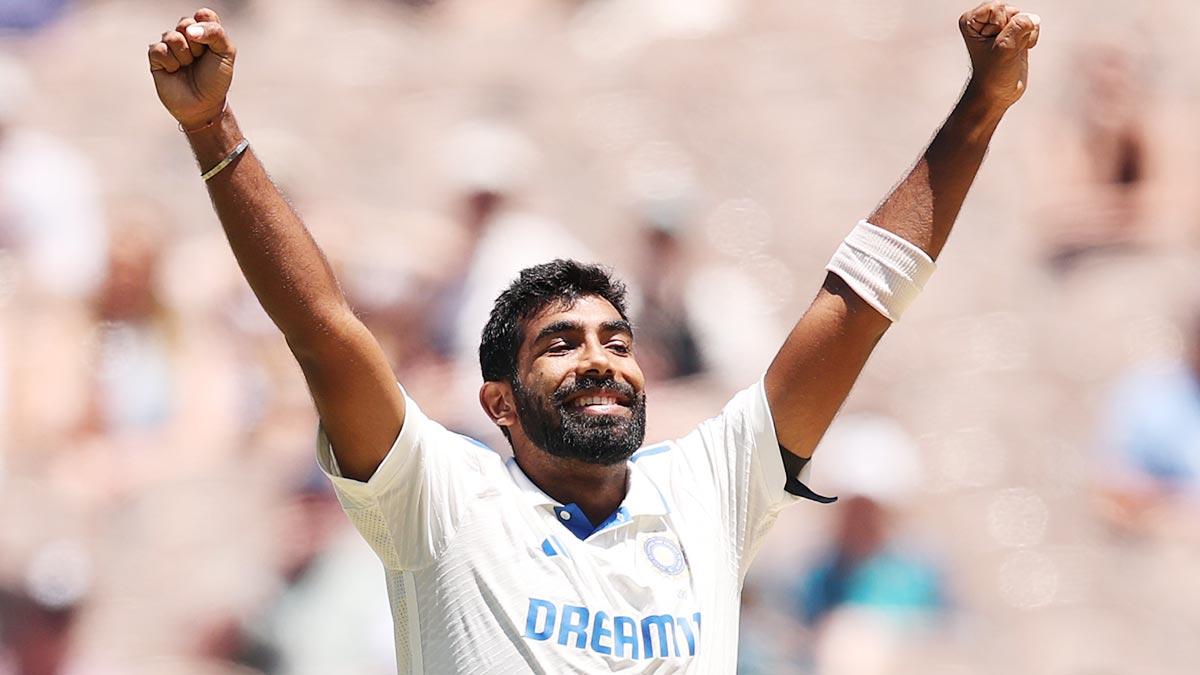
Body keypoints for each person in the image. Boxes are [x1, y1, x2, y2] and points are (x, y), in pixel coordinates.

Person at [146, 3, 1040, 672]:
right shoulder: (439, 498)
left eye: (617, 339)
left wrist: (981, 110)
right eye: (561, 344)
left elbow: (858, 305)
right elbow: (323, 328)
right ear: (496, 400)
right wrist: (211, 128)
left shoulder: (710, 489)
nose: (601, 359)